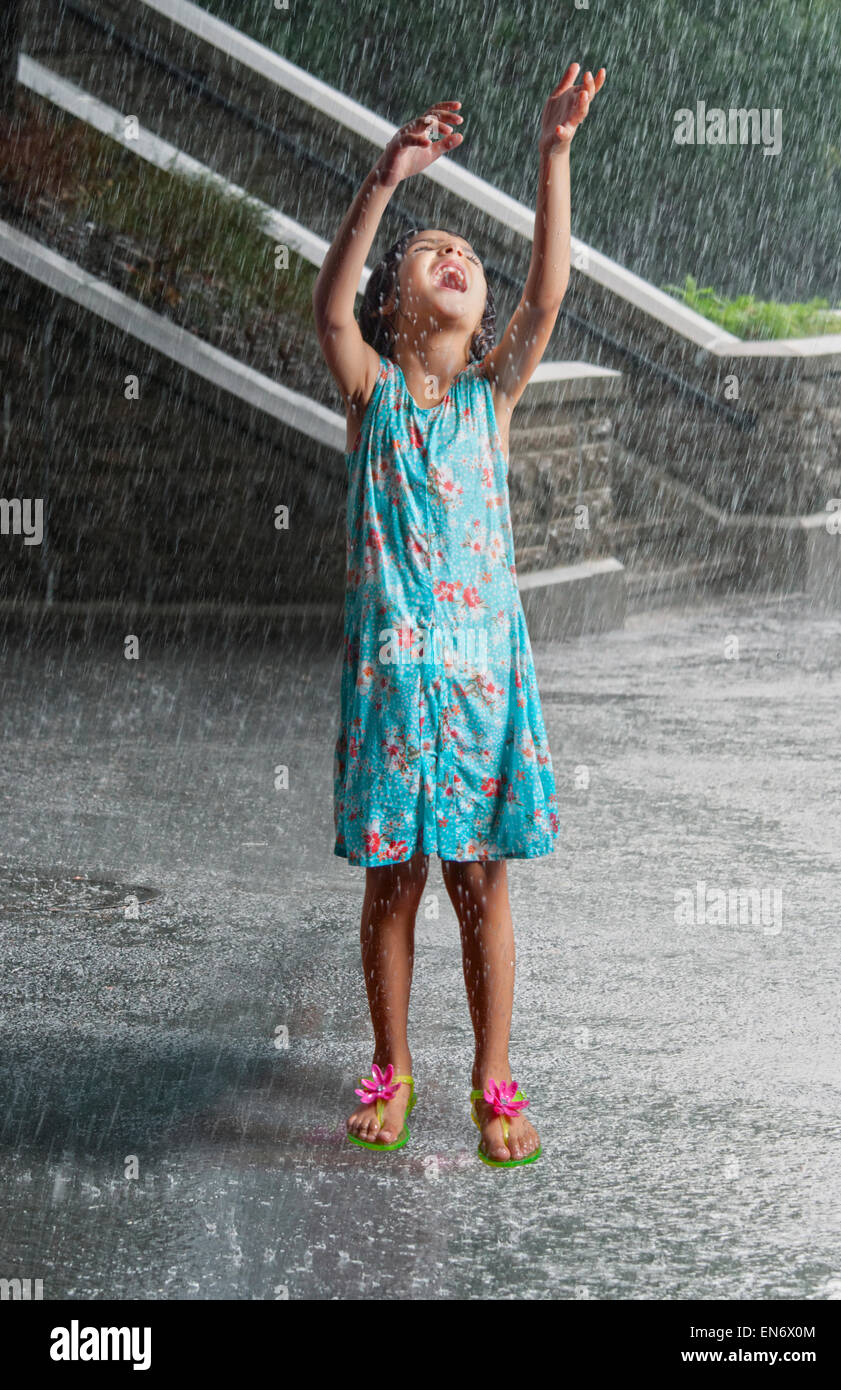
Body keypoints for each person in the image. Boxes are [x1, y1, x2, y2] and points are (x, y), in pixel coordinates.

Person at [312, 61, 605, 1167]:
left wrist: (553, 155)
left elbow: (545, 294)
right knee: (394, 884)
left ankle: (491, 1071)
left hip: (481, 686)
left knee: (480, 883)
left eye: (469, 259)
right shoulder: (370, 395)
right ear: (400, 301)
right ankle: (390, 1066)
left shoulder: (490, 398)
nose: (458, 260)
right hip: (395, 683)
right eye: (435, 252)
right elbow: (327, 303)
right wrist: (384, 180)